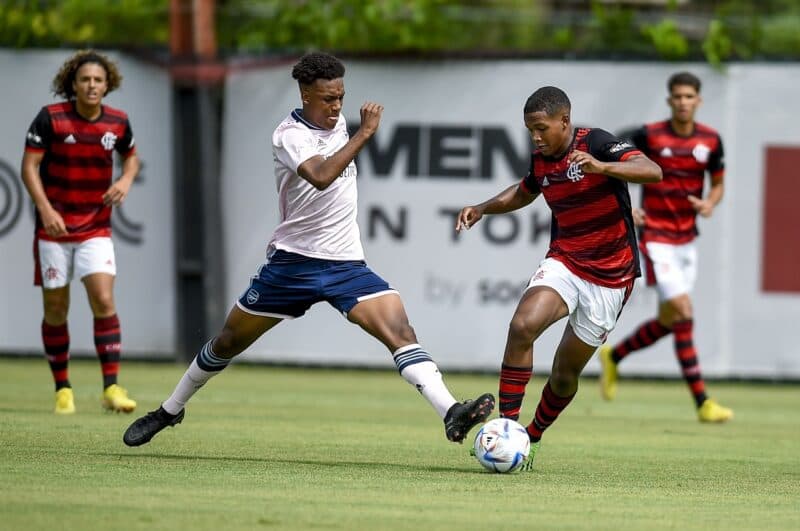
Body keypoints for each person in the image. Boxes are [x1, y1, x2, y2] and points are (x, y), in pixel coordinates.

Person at [123, 52, 494, 447]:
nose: (336, 107)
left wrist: (354, 133)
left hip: (345, 264)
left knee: (400, 330)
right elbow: (320, 176)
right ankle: (169, 410)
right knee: (228, 341)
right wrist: (363, 135)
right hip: (292, 265)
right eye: (327, 99)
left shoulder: (339, 127)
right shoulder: (289, 135)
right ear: (304, 94)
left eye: (341, 98)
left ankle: (450, 413)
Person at [456, 86, 661, 467]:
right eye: (529, 130)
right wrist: (482, 207)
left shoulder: (596, 143)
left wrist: (603, 167)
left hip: (612, 278)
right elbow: (524, 192)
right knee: (522, 326)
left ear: (564, 121)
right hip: (566, 261)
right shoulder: (541, 158)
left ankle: (530, 438)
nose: (535, 137)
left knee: (565, 375)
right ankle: (506, 431)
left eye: (541, 128)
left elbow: (652, 171)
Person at [597, 72, 733, 423]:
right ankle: (703, 401)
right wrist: (629, 208)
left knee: (672, 320)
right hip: (656, 239)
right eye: (678, 96)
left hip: (687, 240)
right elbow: (612, 163)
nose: (684, 102)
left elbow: (717, 184)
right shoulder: (648, 135)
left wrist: (710, 204)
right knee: (684, 313)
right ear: (670, 100)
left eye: (690, 96)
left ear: (698, 101)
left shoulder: (711, 141)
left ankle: (614, 357)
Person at [21, 49, 140, 415]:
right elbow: (29, 166)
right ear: (72, 83)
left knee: (103, 300)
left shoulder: (118, 122)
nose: (91, 85)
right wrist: (44, 208)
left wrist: (125, 180)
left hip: (95, 226)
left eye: (98, 80)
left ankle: (112, 388)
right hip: (54, 228)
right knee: (56, 308)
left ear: (108, 86)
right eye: (85, 79)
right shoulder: (51, 118)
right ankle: (63, 389)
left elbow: (131, 156)